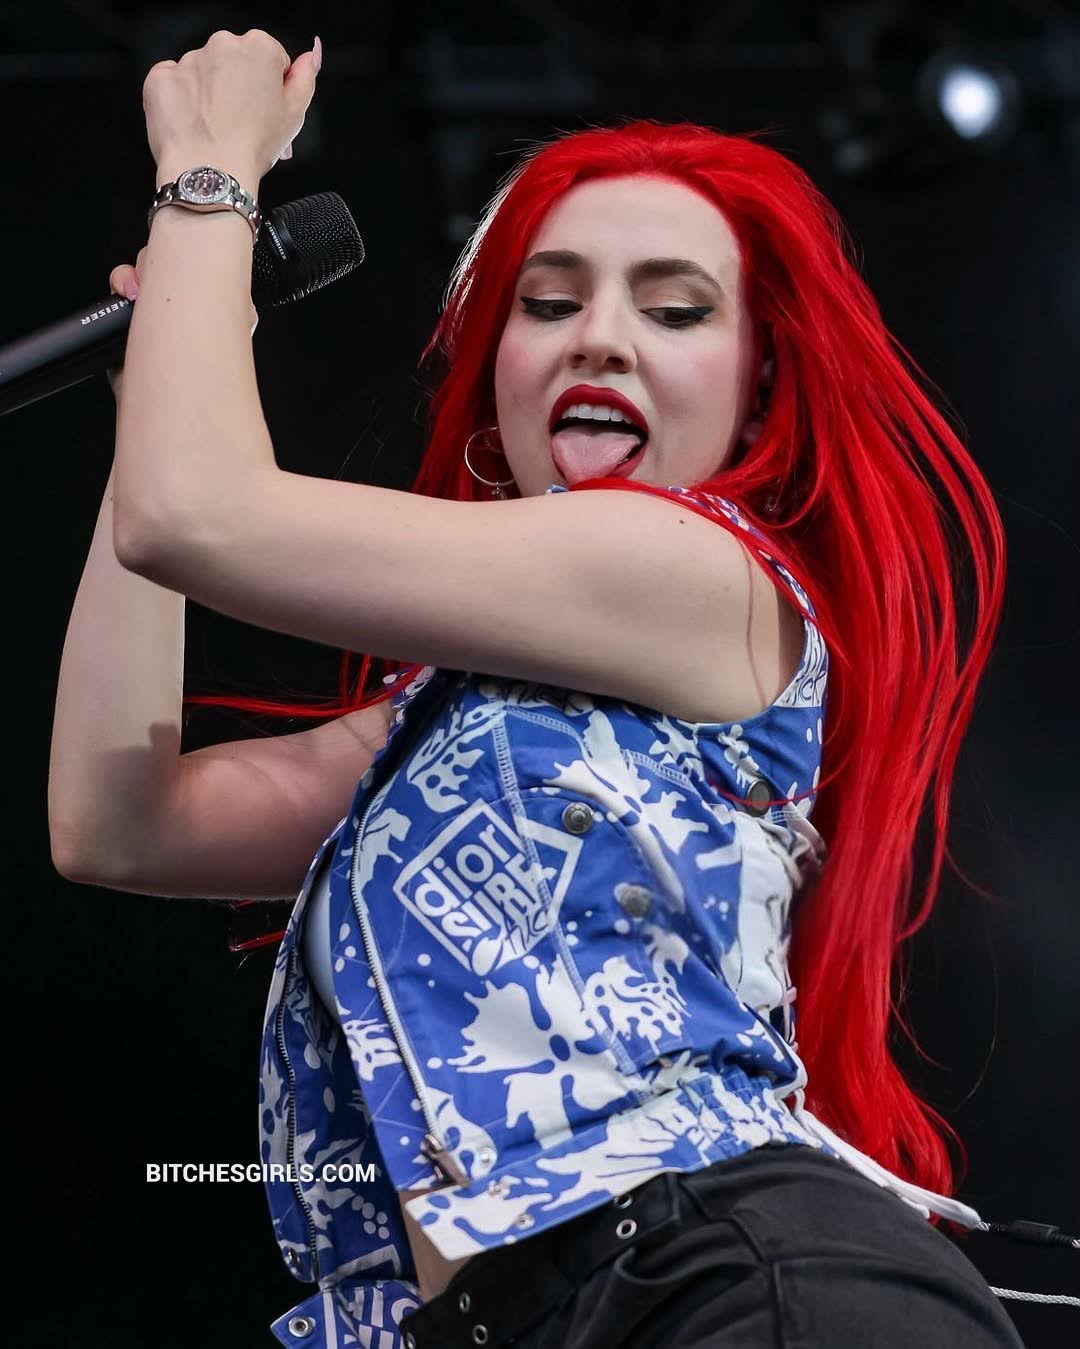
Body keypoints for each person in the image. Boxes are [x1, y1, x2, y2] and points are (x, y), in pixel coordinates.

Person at [72, 28, 1026, 1349]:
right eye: (549, 302)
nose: (602, 340)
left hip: (723, 1277)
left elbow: (197, 514)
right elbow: (122, 822)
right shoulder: (441, 729)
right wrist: (152, 406)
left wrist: (210, 169)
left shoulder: (701, 572)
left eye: (676, 310)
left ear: (759, 399)